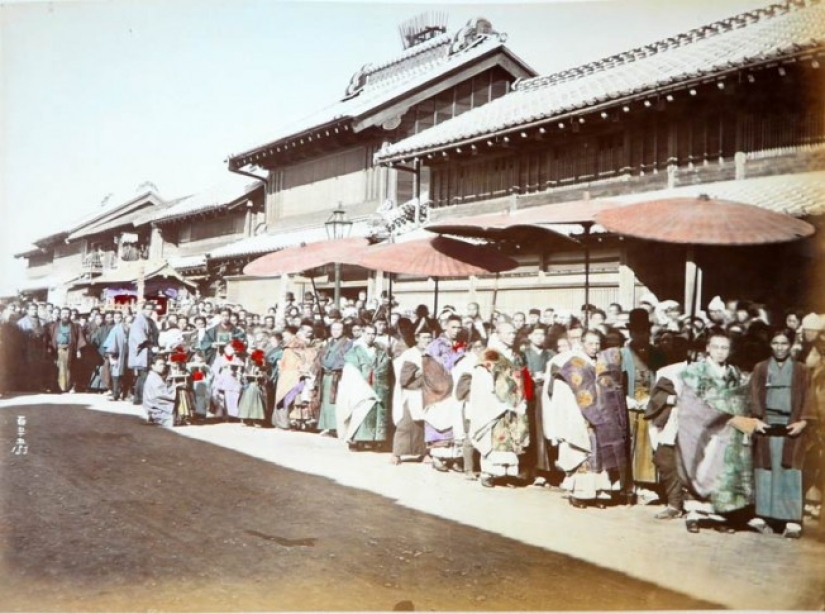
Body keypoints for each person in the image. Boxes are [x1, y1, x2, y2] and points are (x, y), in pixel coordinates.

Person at [678, 332, 757, 533]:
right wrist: (723, 414)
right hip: (700, 429)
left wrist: (739, 416)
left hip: (727, 431)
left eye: (724, 348)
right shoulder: (695, 371)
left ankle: (718, 516)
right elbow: (690, 403)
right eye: (716, 347)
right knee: (698, 467)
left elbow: (741, 400)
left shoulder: (735, 373)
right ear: (707, 348)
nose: (720, 352)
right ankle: (694, 514)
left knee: (723, 472)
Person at [546, 330, 628, 507]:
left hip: (602, 414)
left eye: (597, 343)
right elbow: (563, 392)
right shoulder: (573, 364)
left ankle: (600, 493)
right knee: (584, 454)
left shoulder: (603, 363)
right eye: (590, 343)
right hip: (580, 414)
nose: (594, 347)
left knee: (601, 454)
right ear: (582, 343)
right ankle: (580, 494)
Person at [749, 328, 814, 538]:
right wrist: (756, 419)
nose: (780, 348)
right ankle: (763, 515)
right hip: (766, 424)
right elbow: (753, 395)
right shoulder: (760, 368)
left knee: (790, 471)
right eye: (775, 343)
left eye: (784, 343)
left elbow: (809, 398)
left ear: (791, 345)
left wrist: (803, 422)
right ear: (770, 344)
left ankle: (792, 520)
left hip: (791, 424)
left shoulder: (801, 370)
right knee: (765, 470)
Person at [468, 321, 530, 488]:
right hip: (496, 404)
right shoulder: (490, 354)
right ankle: (489, 473)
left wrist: (521, 398)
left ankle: (507, 473)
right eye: (508, 333)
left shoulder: (516, 355)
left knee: (512, 438)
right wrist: (493, 398)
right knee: (494, 437)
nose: (512, 336)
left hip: (514, 402)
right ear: (498, 334)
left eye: (514, 333)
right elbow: (482, 379)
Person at [621, 309, 667, 504]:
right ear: (631, 332)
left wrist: (653, 398)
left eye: (644, 331)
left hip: (650, 403)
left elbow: (664, 379)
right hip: (628, 403)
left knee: (647, 443)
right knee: (627, 442)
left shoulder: (657, 354)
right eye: (636, 331)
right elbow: (615, 381)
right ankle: (627, 485)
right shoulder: (622, 354)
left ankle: (645, 485)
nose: (641, 335)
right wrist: (625, 398)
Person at [337, 324, 392, 449]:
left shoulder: (380, 350)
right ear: (362, 334)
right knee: (361, 410)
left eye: (373, 334)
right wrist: (361, 380)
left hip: (378, 385)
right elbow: (351, 369)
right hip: (361, 385)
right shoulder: (355, 350)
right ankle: (358, 439)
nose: (371, 337)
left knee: (377, 411)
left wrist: (378, 371)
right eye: (368, 333)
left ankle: (375, 439)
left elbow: (385, 365)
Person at [390, 328, 432, 465]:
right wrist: (419, 373)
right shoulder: (409, 354)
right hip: (411, 393)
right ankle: (396, 454)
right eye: (424, 337)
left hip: (426, 393)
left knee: (423, 425)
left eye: (429, 338)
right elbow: (404, 378)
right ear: (417, 338)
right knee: (405, 424)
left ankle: (423, 453)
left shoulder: (431, 353)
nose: (427, 341)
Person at [522, 325, 555, 485]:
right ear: (529, 336)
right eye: (536, 334)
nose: (539, 337)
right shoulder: (523, 354)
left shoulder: (550, 354)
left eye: (542, 334)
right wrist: (530, 377)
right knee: (528, 430)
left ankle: (543, 470)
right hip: (528, 395)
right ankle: (526, 469)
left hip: (544, 395)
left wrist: (546, 377)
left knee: (543, 431)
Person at [317, 321, 352, 437]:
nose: (335, 332)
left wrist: (332, 366)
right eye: (333, 329)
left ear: (343, 330)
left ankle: (334, 427)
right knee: (325, 401)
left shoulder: (348, 343)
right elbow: (321, 356)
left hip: (337, 375)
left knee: (334, 401)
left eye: (338, 329)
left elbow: (344, 359)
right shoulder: (329, 343)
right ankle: (327, 426)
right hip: (326, 375)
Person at [46, 307, 87, 393]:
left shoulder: (75, 326)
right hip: (57, 350)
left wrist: (78, 350)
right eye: (64, 313)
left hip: (70, 350)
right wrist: (50, 348)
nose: (65, 315)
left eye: (67, 313)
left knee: (69, 369)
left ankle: (69, 387)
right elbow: (49, 338)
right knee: (57, 368)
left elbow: (79, 339)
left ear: (70, 315)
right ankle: (57, 387)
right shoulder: (54, 326)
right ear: (60, 315)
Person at [16, 302, 50, 392]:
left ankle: (39, 385)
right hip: (28, 347)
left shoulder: (43, 321)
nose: (34, 311)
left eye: (35, 309)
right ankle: (28, 385)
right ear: (27, 310)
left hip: (40, 347)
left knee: (39, 366)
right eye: (32, 309)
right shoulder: (21, 322)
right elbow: (19, 337)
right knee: (29, 366)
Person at [143, 355, 177, 427]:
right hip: (155, 407)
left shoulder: (154, 376)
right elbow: (162, 394)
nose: (163, 366)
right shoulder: (153, 378)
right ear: (153, 366)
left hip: (154, 404)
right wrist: (174, 387)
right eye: (160, 364)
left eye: (164, 364)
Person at [103, 312, 131, 401]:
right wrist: (111, 356)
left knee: (124, 374)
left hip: (126, 353)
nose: (117, 319)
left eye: (119, 318)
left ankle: (124, 393)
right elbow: (110, 343)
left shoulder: (126, 328)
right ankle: (116, 393)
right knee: (116, 374)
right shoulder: (115, 329)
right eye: (115, 317)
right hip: (116, 353)